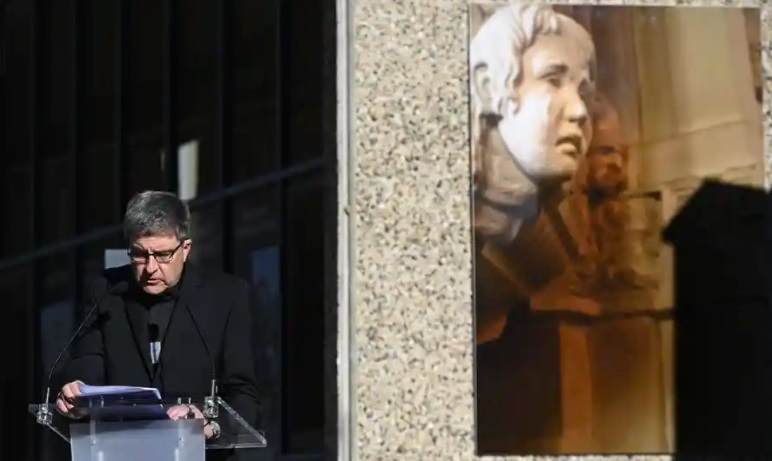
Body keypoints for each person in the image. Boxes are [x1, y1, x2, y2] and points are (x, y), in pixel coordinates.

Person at [54, 190, 260, 454]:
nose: (150, 268)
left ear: (185, 249)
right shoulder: (104, 291)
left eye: (162, 255)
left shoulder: (227, 296)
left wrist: (209, 425)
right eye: (139, 255)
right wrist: (76, 392)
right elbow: (86, 365)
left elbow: (244, 396)